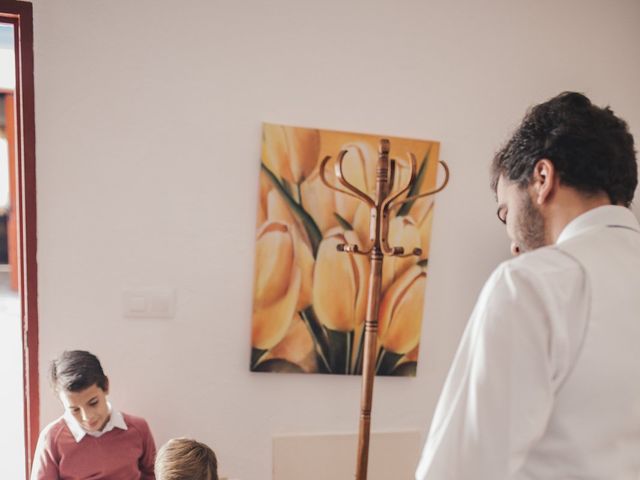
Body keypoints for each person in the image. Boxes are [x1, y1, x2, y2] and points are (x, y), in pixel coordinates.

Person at [416, 92, 640, 479]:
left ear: (541, 178)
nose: (513, 242)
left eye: (506, 212)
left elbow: (460, 470)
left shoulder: (532, 283)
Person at [31, 350, 156, 479]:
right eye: (75, 410)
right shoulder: (52, 439)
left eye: (93, 403)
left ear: (106, 386)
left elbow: (154, 475)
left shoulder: (138, 429)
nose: (87, 417)